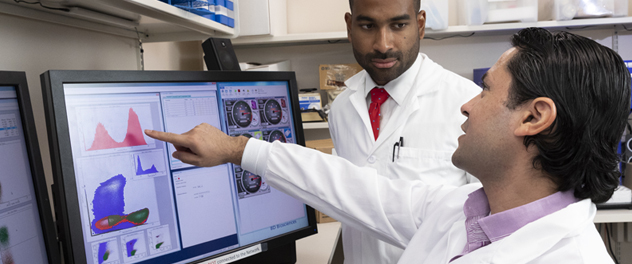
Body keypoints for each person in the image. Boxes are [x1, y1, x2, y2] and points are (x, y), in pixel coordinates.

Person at [145, 28, 630, 263]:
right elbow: (357, 189)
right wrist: (236, 149)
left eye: (485, 90)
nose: (467, 106)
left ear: (533, 117)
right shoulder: (461, 211)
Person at [330, 0, 481, 262]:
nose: (383, 44)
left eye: (398, 25)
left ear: (420, 24)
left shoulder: (467, 102)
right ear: (349, 27)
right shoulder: (341, 108)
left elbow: (489, 218)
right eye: (367, 26)